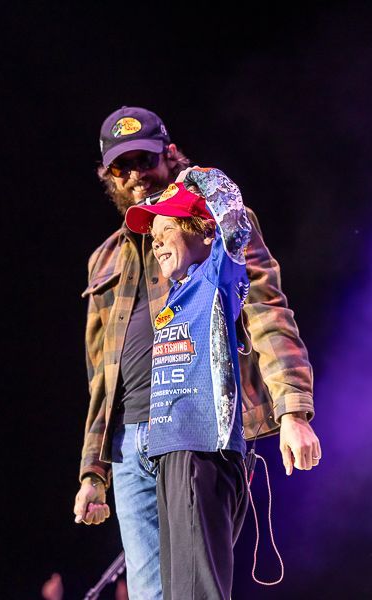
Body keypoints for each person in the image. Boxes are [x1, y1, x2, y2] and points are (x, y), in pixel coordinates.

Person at [73, 106, 321, 600]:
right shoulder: (103, 258)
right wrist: (92, 471)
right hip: (127, 445)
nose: (136, 176)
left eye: (144, 160)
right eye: (122, 168)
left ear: (168, 154)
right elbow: (101, 376)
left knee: (195, 588)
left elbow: (266, 309)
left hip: (196, 426)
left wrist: (293, 409)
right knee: (150, 594)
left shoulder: (213, 217)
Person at [124, 171, 251, 599]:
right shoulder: (174, 299)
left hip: (201, 452)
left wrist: (197, 177)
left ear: (201, 231)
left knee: (199, 592)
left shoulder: (215, 279)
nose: (156, 243)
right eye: (152, 236)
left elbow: (234, 221)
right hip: (170, 455)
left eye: (166, 230)